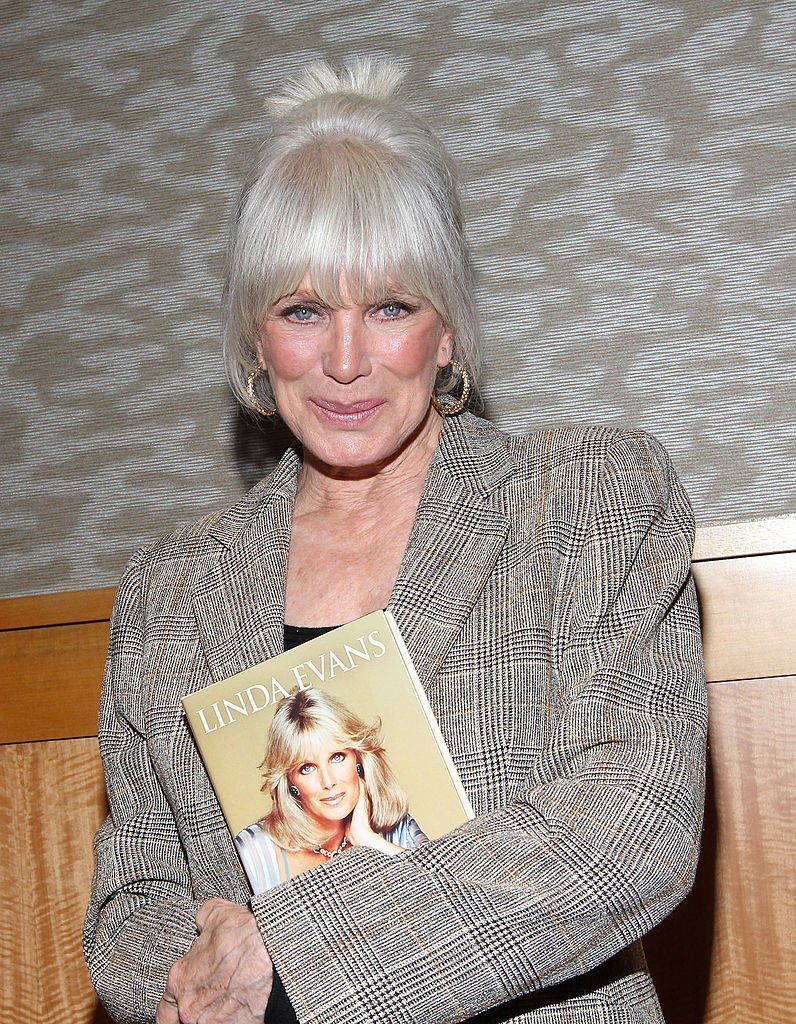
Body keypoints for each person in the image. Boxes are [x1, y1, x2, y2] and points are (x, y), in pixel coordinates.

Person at [84, 58, 707, 1024]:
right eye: (302, 311)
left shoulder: (590, 502)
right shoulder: (168, 592)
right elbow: (131, 907)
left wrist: (291, 961)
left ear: (448, 329)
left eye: (389, 308)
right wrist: (205, 975)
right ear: (257, 339)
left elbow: (627, 834)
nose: (343, 362)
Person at [235, 687, 428, 893]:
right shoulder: (252, 851)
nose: (328, 782)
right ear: (290, 781)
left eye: (337, 757)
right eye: (307, 768)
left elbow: (454, 895)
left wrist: (368, 839)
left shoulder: (398, 829)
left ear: (358, 758)